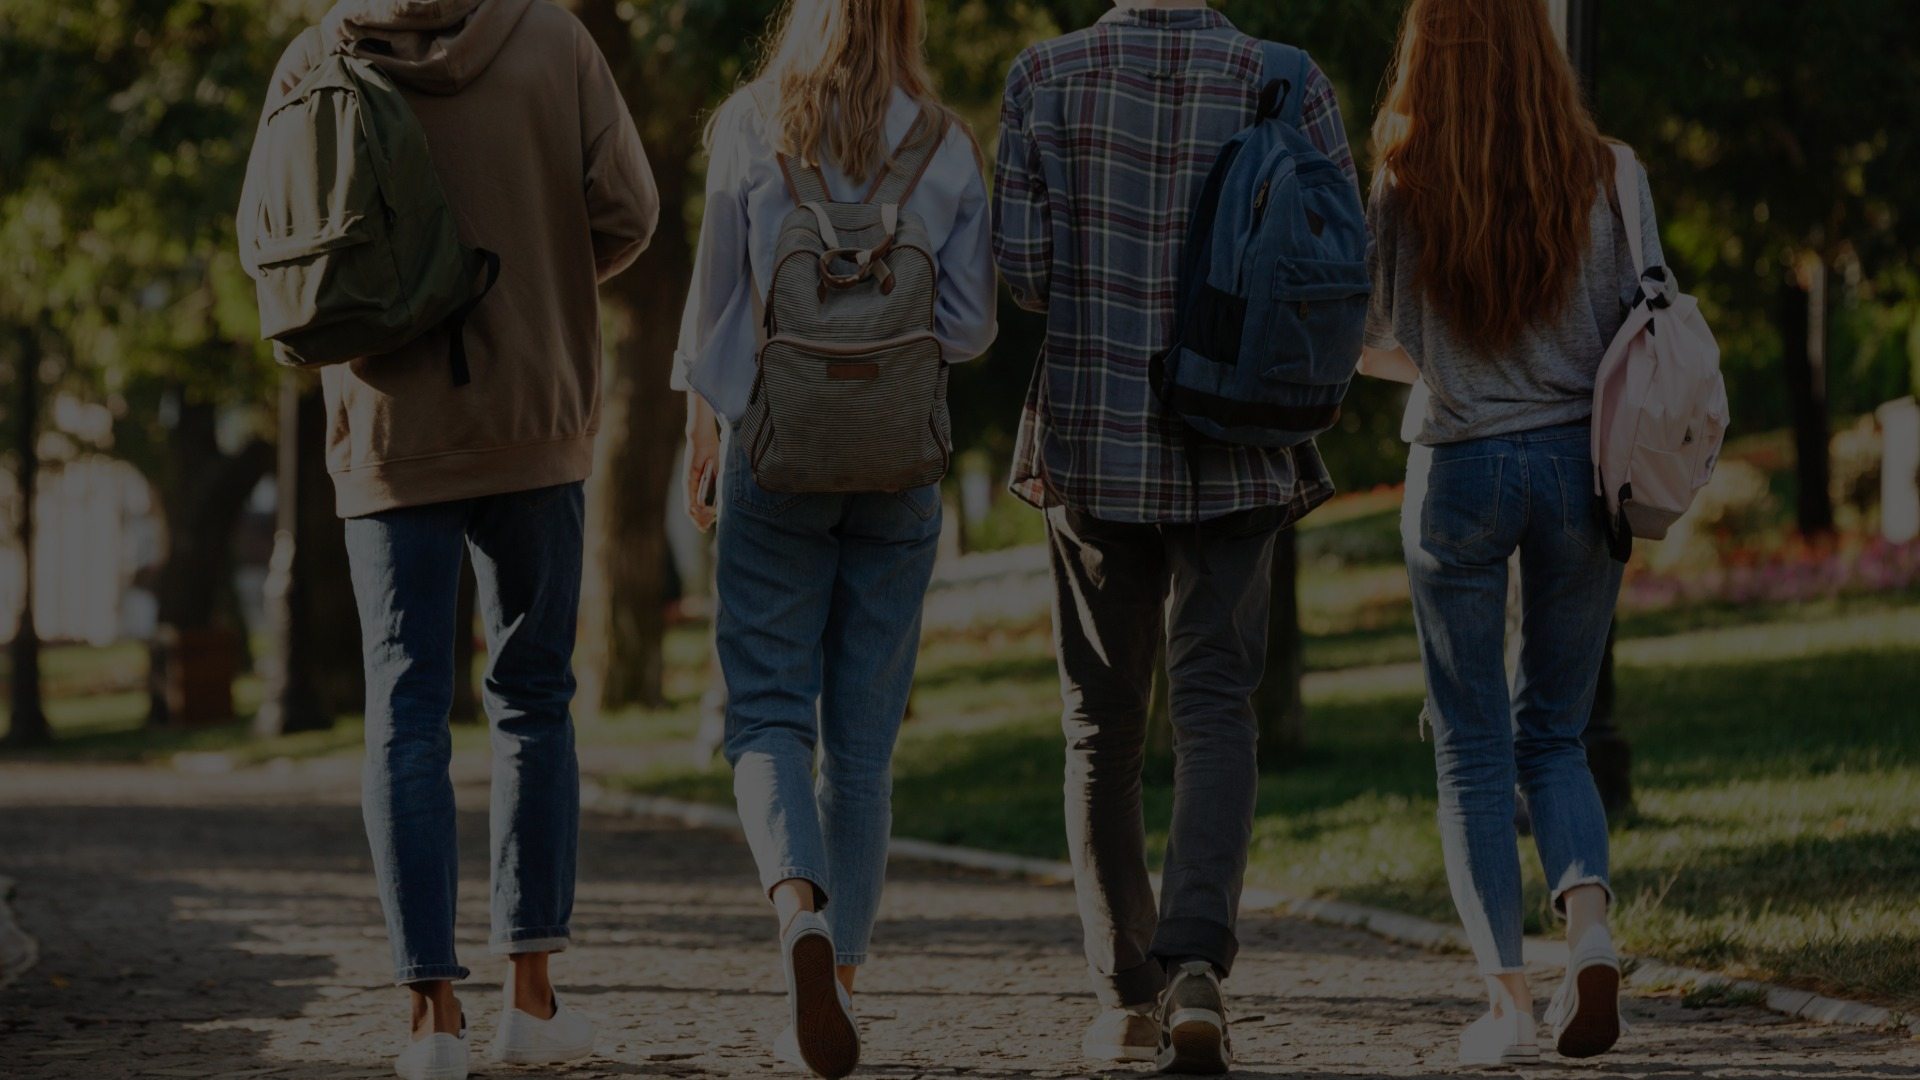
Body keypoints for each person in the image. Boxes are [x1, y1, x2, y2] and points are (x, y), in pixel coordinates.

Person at [246, 2, 658, 1077]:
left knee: (404, 713)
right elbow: (630, 209)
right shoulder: (555, 39)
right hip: (534, 415)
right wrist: (545, 280)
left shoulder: (315, 56)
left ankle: (431, 1020)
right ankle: (531, 999)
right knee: (534, 700)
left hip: (389, 429)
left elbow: (270, 248)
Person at [993, 1, 1357, 1073]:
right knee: (1215, 707)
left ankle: (1125, 996)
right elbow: (1343, 263)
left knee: (1101, 727)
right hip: (1241, 435)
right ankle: (1196, 966)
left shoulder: (1043, 78)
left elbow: (1025, 273)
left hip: (1095, 435)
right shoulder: (1286, 77)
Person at [673, 0, 997, 1075]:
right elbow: (970, 326)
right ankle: (842, 987)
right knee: (862, 746)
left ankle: (798, 914)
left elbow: (716, 305)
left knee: (767, 713)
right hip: (898, 467)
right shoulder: (946, 144)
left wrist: (703, 427)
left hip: (777, 452)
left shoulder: (751, 124)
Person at [1356, 0, 1658, 1064]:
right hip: (1582, 471)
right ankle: (1590, 931)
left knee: (1471, 745)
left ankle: (1508, 1007)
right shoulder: (1613, 172)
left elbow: (1367, 336)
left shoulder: (1403, 177)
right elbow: (1642, 325)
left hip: (1459, 470)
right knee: (1555, 733)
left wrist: (1454, 361)